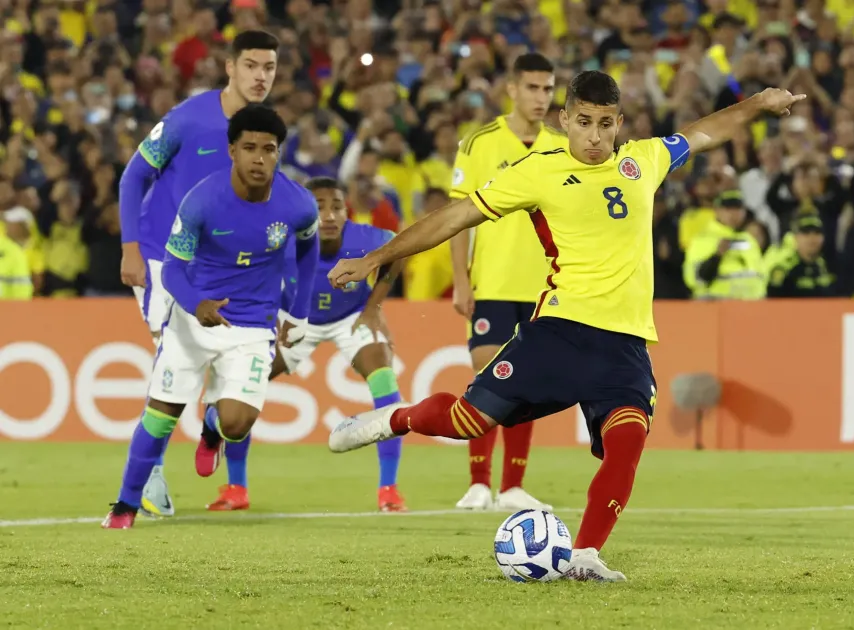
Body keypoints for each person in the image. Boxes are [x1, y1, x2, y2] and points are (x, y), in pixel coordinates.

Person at [326, 71, 804, 581]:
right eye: (583, 123)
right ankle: (392, 420)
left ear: (620, 123)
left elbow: (707, 130)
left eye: (605, 124)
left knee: (628, 444)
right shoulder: (537, 171)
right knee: (467, 422)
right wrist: (378, 255)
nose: (595, 136)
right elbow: (454, 217)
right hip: (557, 332)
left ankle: (585, 555)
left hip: (624, 345)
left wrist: (758, 103)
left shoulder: (644, 159)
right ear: (564, 120)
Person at [103, 105, 320, 530]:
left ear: (279, 153)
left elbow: (310, 251)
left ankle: (213, 427)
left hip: (253, 325)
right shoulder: (201, 199)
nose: (260, 158)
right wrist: (195, 304)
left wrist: (301, 311)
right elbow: (174, 267)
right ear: (232, 151)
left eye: (269, 149)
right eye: (250, 148)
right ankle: (124, 506)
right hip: (192, 320)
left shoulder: (298, 204)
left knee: (238, 424)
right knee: (160, 415)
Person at [118, 30, 280, 517]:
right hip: (163, 259)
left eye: (269, 68)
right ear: (229, 67)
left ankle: (214, 429)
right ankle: (152, 476)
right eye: (251, 65)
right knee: (170, 363)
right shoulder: (188, 118)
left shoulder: (263, 131)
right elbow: (133, 176)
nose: (260, 76)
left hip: (223, 265)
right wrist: (129, 248)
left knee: (227, 370)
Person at [203, 176, 409, 512]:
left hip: (351, 317)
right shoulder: (283, 239)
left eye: (337, 207)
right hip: (295, 320)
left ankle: (389, 490)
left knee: (385, 382)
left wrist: (374, 306)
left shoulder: (363, 238)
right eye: (319, 207)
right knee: (243, 389)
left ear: (348, 211)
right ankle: (235, 486)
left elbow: (398, 251)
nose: (329, 216)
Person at [448, 52, 566, 512]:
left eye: (547, 88)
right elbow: (459, 218)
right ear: (512, 89)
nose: (541, 97)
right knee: (487, 379)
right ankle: (479, 482)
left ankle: (513, 485)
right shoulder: (480, 143)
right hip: (493, 283)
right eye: (533, 88)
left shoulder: (561, 144)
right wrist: (461, 280)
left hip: (545, 286)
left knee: (527, 385)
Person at [766, 214, 835, 298]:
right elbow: (773, 303)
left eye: (817, 233)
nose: (812, 238)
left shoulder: (832, 267)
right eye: (806, 233)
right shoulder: (784, 269)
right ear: (796, 237)